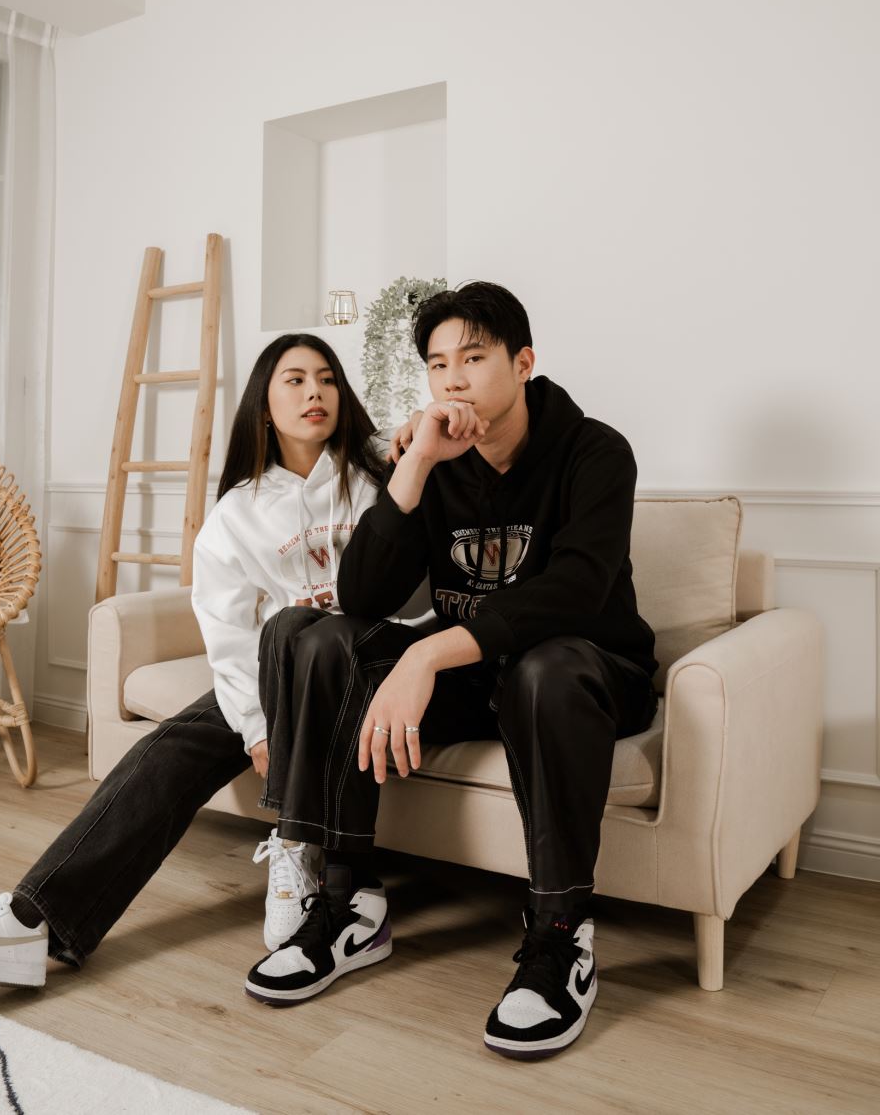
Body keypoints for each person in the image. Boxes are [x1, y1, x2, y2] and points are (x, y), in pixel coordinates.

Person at [0, 333, 387, 986]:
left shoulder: (375, 479)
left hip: (360, 669)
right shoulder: (237, 513)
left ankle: (302, 848)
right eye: (295, 379)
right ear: (263, 406)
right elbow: (229, 634)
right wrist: (258, 727)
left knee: (300, 645)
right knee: (170, 747)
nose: (315, 392)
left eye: (327, 378)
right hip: (278, 674)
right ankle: (28, 922)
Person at [242, 282, 658, 1061]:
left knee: (542, 668)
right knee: (318, 638)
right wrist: (417, 466)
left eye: (473, 358)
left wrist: (428, 652)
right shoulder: (435, 459)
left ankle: (560, 933)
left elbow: (575, 591)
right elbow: (363, 596)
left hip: (584, 673)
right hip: (479, 676)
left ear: (523, 362)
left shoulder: (596, 451)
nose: (453, 379)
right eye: (437, 364)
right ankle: (348, 904)